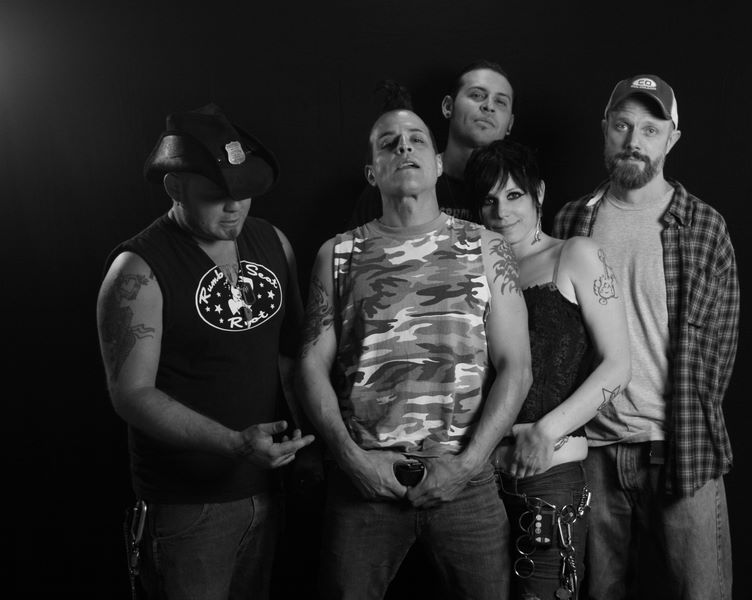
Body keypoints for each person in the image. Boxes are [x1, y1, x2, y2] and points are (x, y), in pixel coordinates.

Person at [297, 99, 532, 599]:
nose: (404, 147)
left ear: (439, 163)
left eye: (417, 139)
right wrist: (351, 460)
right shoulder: (337, 254)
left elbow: (516, 366)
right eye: (389, 144)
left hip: (464, 480)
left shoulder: (487, 247)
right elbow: (311, 365)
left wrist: (469, 464)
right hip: (365, 482)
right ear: (372, 172)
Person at [96, 103, 315, 600]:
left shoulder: (273, 242)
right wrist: (234, 443)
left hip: (267, 488)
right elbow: (131, 394)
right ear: (176, 188)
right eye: (216, 195)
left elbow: (289, 354)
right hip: (187, 506)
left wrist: (308, 448)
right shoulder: (137, 270)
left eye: (244, 192)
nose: (234, 207)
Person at [553, 74, 740, 599]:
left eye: (651, 130)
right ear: (605, 130)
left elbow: (720, 350)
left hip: (681, 448)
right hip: (591, 454)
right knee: (595, 592)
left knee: (701, 592)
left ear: (671, 139)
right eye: (623, 126)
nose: (634, 140)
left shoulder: (703, 227)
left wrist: (684, 422)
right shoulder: (572, 221)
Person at [464, 139, 631, 600]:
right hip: (478, 479)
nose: (502, 212)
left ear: (538, 192)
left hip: (549, 477)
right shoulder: (473, 271)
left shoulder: (575, 255)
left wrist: (546, 431)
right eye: (489, 200)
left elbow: (618, 365)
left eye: (514, 195)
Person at [346, 59, 515, 226]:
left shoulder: (521, 187)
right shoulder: (395, 179)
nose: (489, 106)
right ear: (448, 106)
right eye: (477, 95)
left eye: (500, 102)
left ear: (510, 124)